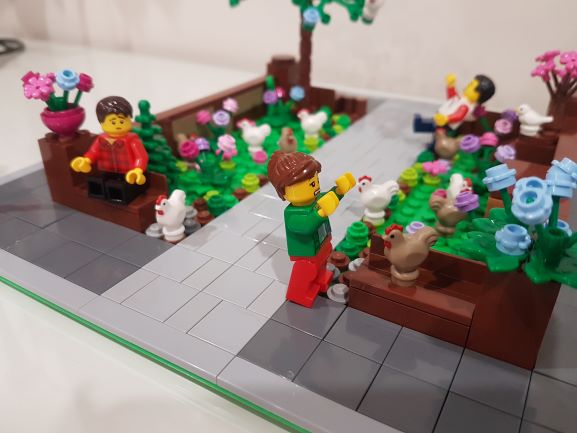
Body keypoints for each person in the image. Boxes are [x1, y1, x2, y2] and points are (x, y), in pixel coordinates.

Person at [267, 151, 355, 308]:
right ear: (284, 192)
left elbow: (328, 198)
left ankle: (320, 280)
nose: (315, 186)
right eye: (309, 183)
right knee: (307, 271)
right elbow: (305, 226)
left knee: (322, 263)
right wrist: (321, 212)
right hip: (305, 253)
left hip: (321, 244)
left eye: (315, 180)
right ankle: (298, 293)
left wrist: (339, 191)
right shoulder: (293, 213)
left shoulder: (316, 200)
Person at [70, 96, 149, 204]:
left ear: (129, 119)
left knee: (128, 188)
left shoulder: (132, 140)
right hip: (107, 171)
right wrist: (86, 160)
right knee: (100, 184)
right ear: (102, 123)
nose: (118, 125)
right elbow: (93, 152)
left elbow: (141, 157)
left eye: (122, 121)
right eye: (113, 122)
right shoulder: (101, 139)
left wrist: (138, 169)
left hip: (129, 174)